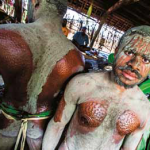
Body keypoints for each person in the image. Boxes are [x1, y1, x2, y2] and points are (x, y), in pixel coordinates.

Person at [43, 25, 150, 150]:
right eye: (129, 52)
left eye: (146, 59)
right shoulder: (83, 84)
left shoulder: (145, 109)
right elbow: (57, 125)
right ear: (116, 52)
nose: (135, 65)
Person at [0, 0, 84, 150]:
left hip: (4, 125)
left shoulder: (4, 35)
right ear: (62, 13)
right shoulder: (77, 58)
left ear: (37, 4)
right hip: (40, 134)